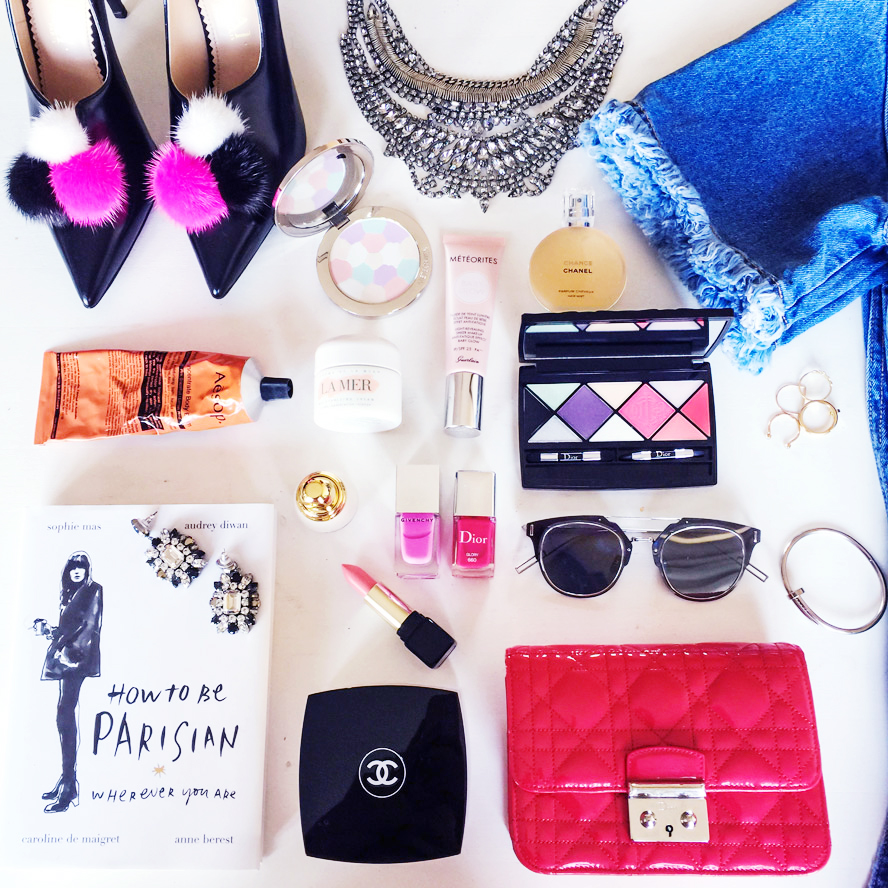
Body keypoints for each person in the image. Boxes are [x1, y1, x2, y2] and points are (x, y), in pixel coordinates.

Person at [38, 551, 103, 813]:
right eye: (73, 567)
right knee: (63, 714)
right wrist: (50, 631)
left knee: (65, 713)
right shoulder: (69, 593)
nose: (77, 571)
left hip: (77, 660)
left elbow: (90, 627)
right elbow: (69, 629)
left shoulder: (93, 590)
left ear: (87, 570)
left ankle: (68, 785)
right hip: (67, 658)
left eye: (81, 567)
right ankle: (67, 779)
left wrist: (69, 652)